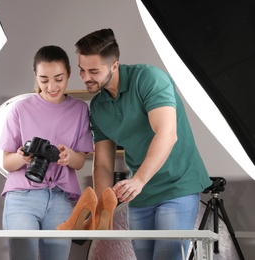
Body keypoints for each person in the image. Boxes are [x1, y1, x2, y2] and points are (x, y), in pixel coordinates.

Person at [75, 28, 212, 259]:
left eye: (94, 71)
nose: (86, 77)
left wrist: (138, 179)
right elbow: (104, 164)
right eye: (81, 70)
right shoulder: (97, 107)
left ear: (115, 65)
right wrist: (102, 208)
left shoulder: (149, 78)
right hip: (140, 195)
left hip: (176, 185)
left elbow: (167, 134)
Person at [0, 45, 93, 260]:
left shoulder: (79, 109)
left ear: (69, 72)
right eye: (44, 79)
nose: (51, 86)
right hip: (22, 197)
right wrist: (22, 156)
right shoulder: (19, 109)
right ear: (36, 77)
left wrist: (69, 156)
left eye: (59, 79)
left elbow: (79, 162)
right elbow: (7, 163)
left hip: (59, 197)